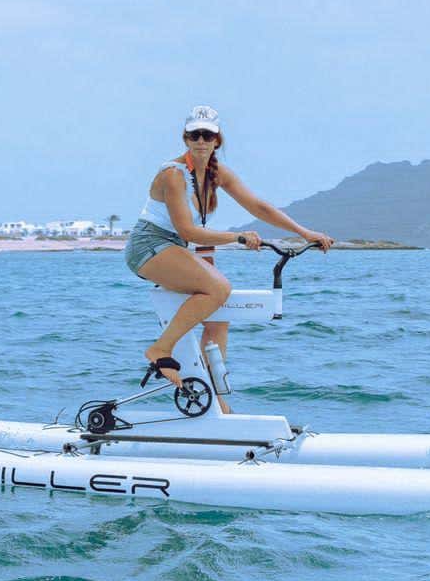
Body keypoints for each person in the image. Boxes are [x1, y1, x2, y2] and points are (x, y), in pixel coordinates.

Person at [124, 105, 334, 407]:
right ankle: (160, 349)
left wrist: (304, 232)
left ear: (216, 140)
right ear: (185, 139)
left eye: (207, 135)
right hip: (149, 246)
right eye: (194, 135)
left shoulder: (215, 173)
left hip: (175, 247)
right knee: (220, 288)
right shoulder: (173, 175)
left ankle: (217, 404)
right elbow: (189, 230)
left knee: (220, 316)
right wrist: (238, 237)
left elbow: (259, 207)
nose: (200, 140)